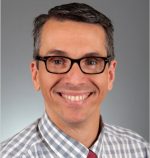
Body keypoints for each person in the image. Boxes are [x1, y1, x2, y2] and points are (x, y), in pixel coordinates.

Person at [1, 2, 149, 158]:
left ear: (110, 75)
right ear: (36, 74)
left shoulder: (140, 150)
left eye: (91, 62)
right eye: (57, 61)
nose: (75, 80)